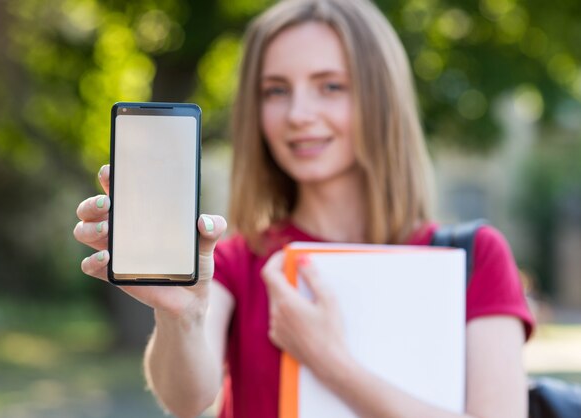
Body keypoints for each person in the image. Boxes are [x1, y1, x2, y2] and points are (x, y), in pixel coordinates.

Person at [73, 0, 534, 417]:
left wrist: (333, 364)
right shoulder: (234, 263)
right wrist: (182, 315)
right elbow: (186, 399)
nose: (297, 113)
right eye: (275, 90)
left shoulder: (474, 258)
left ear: (381, 99)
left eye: (330, 86)